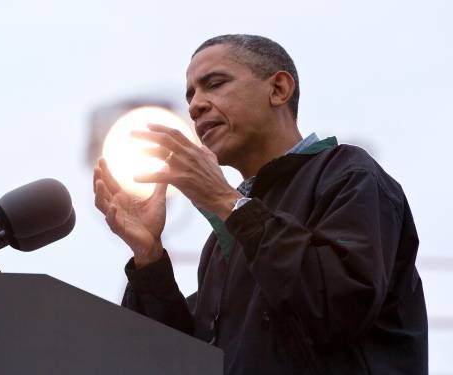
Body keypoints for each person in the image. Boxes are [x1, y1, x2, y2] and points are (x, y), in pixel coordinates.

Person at [93, 34, 428, 375]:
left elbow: (338, 306)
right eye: (191, 95)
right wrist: (149, 260)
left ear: (279, 89)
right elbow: (190, 361)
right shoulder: (223, 240)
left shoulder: (349, 175)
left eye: (214, 84)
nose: (195, 106)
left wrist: (226, 201)